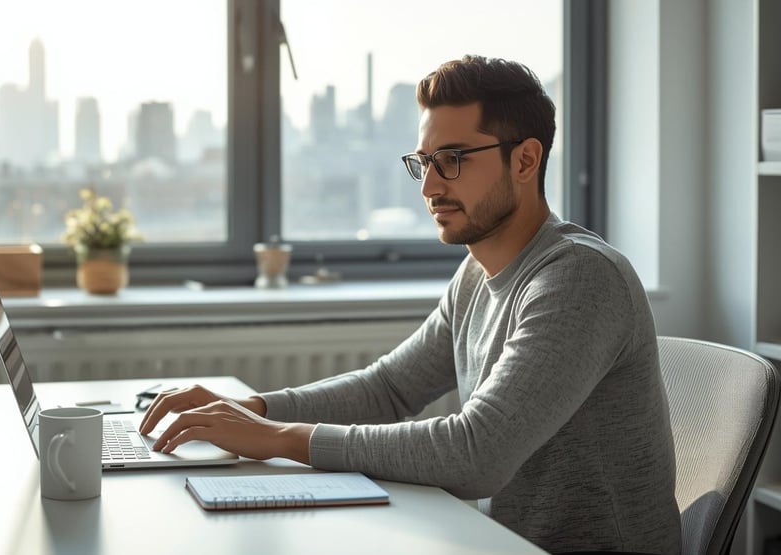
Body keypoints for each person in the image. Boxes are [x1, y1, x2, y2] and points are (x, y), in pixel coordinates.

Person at [139, 55, 682, 554]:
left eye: (451, 159)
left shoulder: (579, 277)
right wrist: (254, 409)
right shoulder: (477, 273)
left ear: (526, 159)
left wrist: (278, 438)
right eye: (423, 161)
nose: (429, 187)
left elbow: (477, 455)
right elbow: (390, 389)